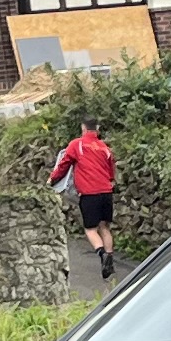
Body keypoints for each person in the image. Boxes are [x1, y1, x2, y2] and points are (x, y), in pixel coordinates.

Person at [49, 116, 119, 279]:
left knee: (90, 229)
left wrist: (52, 179)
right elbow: (111, 171)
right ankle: (110, 260)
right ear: (97, 129)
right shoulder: (104, 148)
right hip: (106, 192)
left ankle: (102, 254)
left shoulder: (77, 144)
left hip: (89, 193)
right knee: (105, 227)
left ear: (83, 128)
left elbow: (64, 164)